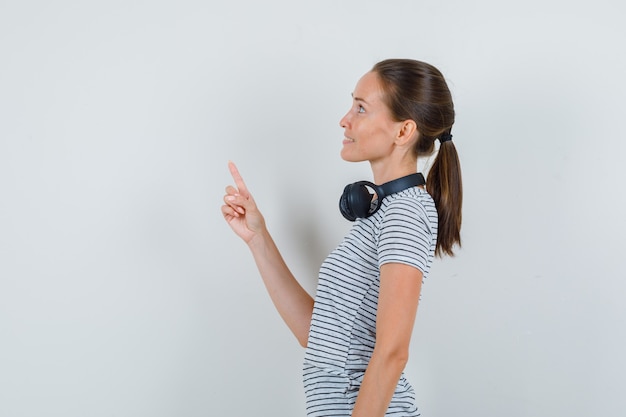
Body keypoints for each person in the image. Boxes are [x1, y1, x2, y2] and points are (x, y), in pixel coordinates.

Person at [221, 58, 462, 417]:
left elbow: (393, 352)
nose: (344, 119)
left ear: (403, 132)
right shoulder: (382, 211)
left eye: (361, 108)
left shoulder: (406, 214)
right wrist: (259, 239)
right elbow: (318, 337)